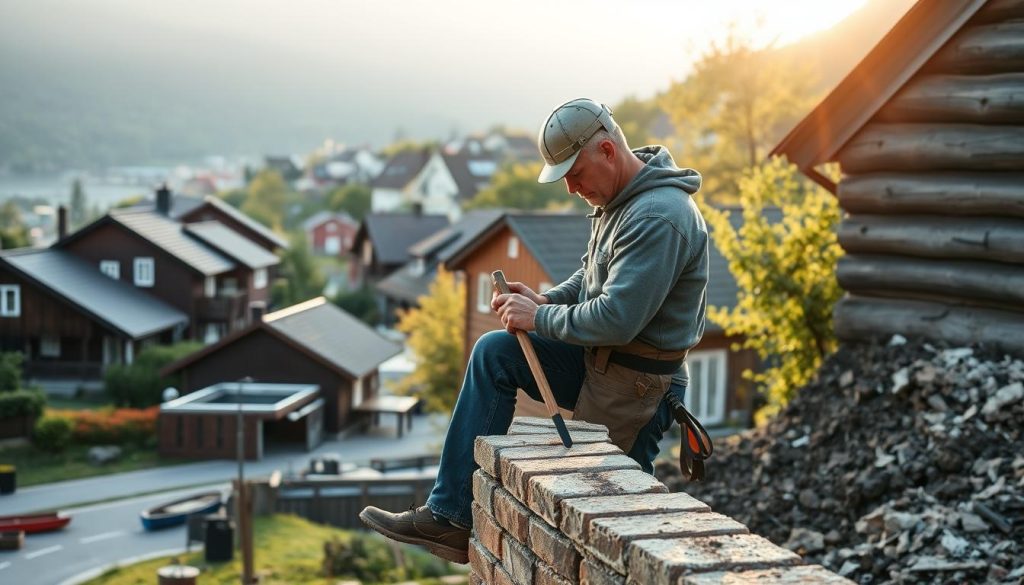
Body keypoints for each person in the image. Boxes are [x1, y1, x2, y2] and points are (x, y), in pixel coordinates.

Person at [360, 97, 708, 564]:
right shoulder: (618, 201)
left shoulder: (658, 216)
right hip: (599, 359)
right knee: (496, 353)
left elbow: (616, 317)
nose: (570, 188)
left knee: (604, 509)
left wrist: (537, 318)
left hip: (635, 384)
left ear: (607, 150)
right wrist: (546, 301)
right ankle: (451, 517)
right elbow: (588, 279)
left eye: (575, 173)